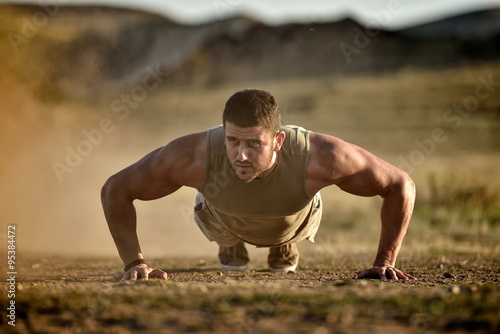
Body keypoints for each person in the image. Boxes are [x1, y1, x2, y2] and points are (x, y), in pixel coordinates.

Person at [101, 89, 416, 281]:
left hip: (296, 217)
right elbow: (116, 188)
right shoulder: (193, 156)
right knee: (216, 214)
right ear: (223, 133)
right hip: (220, 216)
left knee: (285, 219)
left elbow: (400, 184)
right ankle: (231, 242)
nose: (241, 155)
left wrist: (384, 263)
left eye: (254, 144)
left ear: (278, 141)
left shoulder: (321, 158)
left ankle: (283, 243)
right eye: (233, 140)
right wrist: (135, 263)